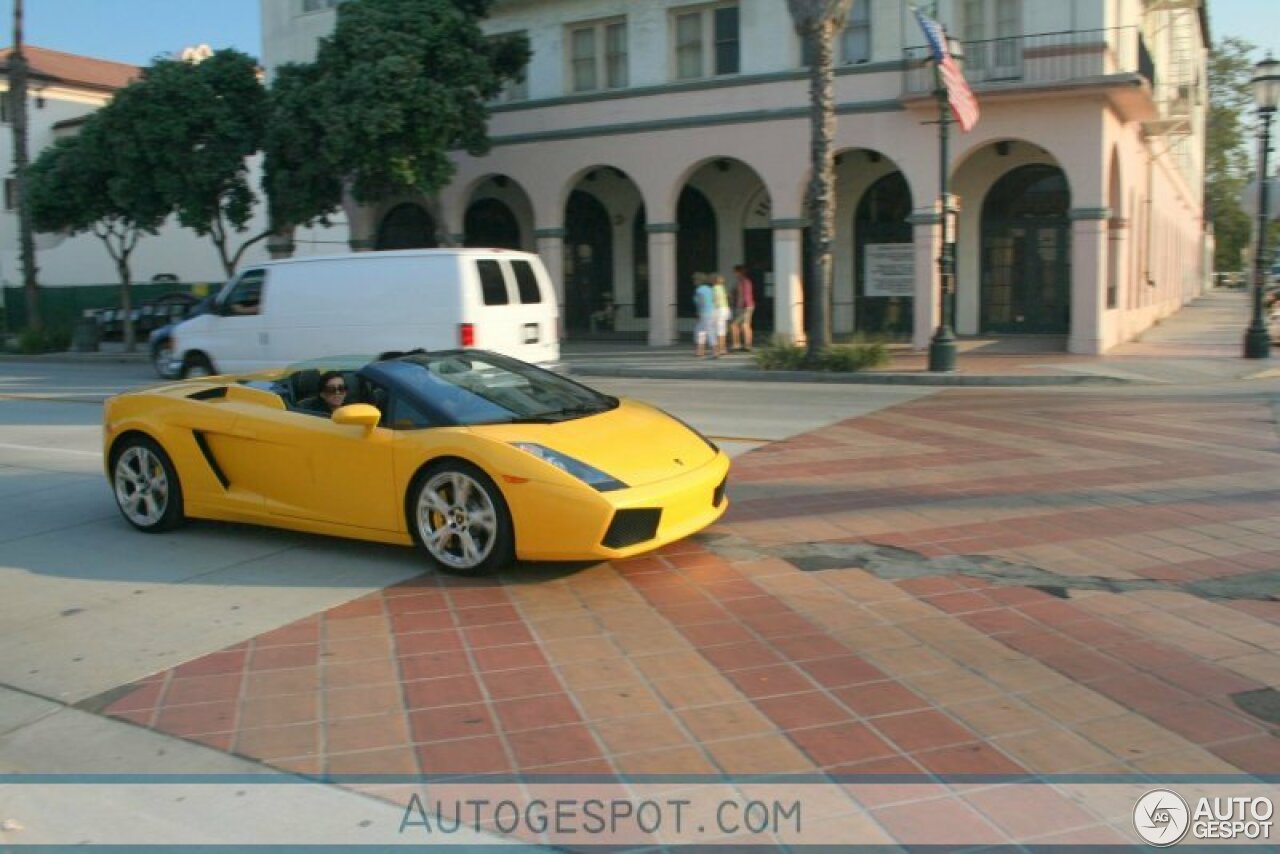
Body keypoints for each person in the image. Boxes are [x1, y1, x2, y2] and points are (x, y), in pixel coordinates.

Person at [730, 264, 756, 352]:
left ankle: (736, 344)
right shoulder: (748, 281)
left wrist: (738, 306)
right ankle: (748, 345)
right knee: (746, 325)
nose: (734, 274)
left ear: (739, 272)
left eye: (735, 272)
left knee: (734, 325)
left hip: (744, 306)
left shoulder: (740, 282)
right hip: (750, 305)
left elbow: (741, 295)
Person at [692, 272, 718, 358]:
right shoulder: (709, 289)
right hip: (712, 311)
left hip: (705, 313)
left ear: (698, 280)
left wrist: (699, 313)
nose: (694, 281)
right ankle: (700, 351)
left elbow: (701, 302)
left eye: (694, 280)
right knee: (700, 331)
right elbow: (714, 299)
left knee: (709, 331)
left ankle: (715, 352)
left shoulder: (699, 290)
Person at [711, 274, 731, 357]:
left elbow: (714, 299)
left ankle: (718, 350)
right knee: (723, 330)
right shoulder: (723, 288)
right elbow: (728, 297)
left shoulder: (714, 288)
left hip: (718, 310)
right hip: (725, 309)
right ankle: (723, 349)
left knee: (718, 330)